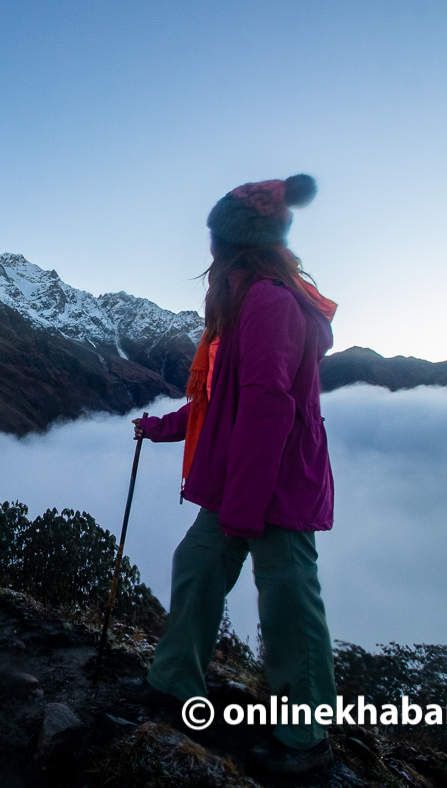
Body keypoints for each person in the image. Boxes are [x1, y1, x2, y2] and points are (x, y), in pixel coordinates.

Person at [128, 174, 339, 775]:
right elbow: (218, 403)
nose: (210, 253)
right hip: (240, 476)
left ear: (233, 244)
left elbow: (268, 408)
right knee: (198, 566)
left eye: (216, 241)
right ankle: (173, 683)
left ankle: (304, 742)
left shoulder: (269, 302)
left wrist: (244, 507)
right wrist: (163, 428)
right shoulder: (243, 302)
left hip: (277, 479)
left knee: (288, 599)